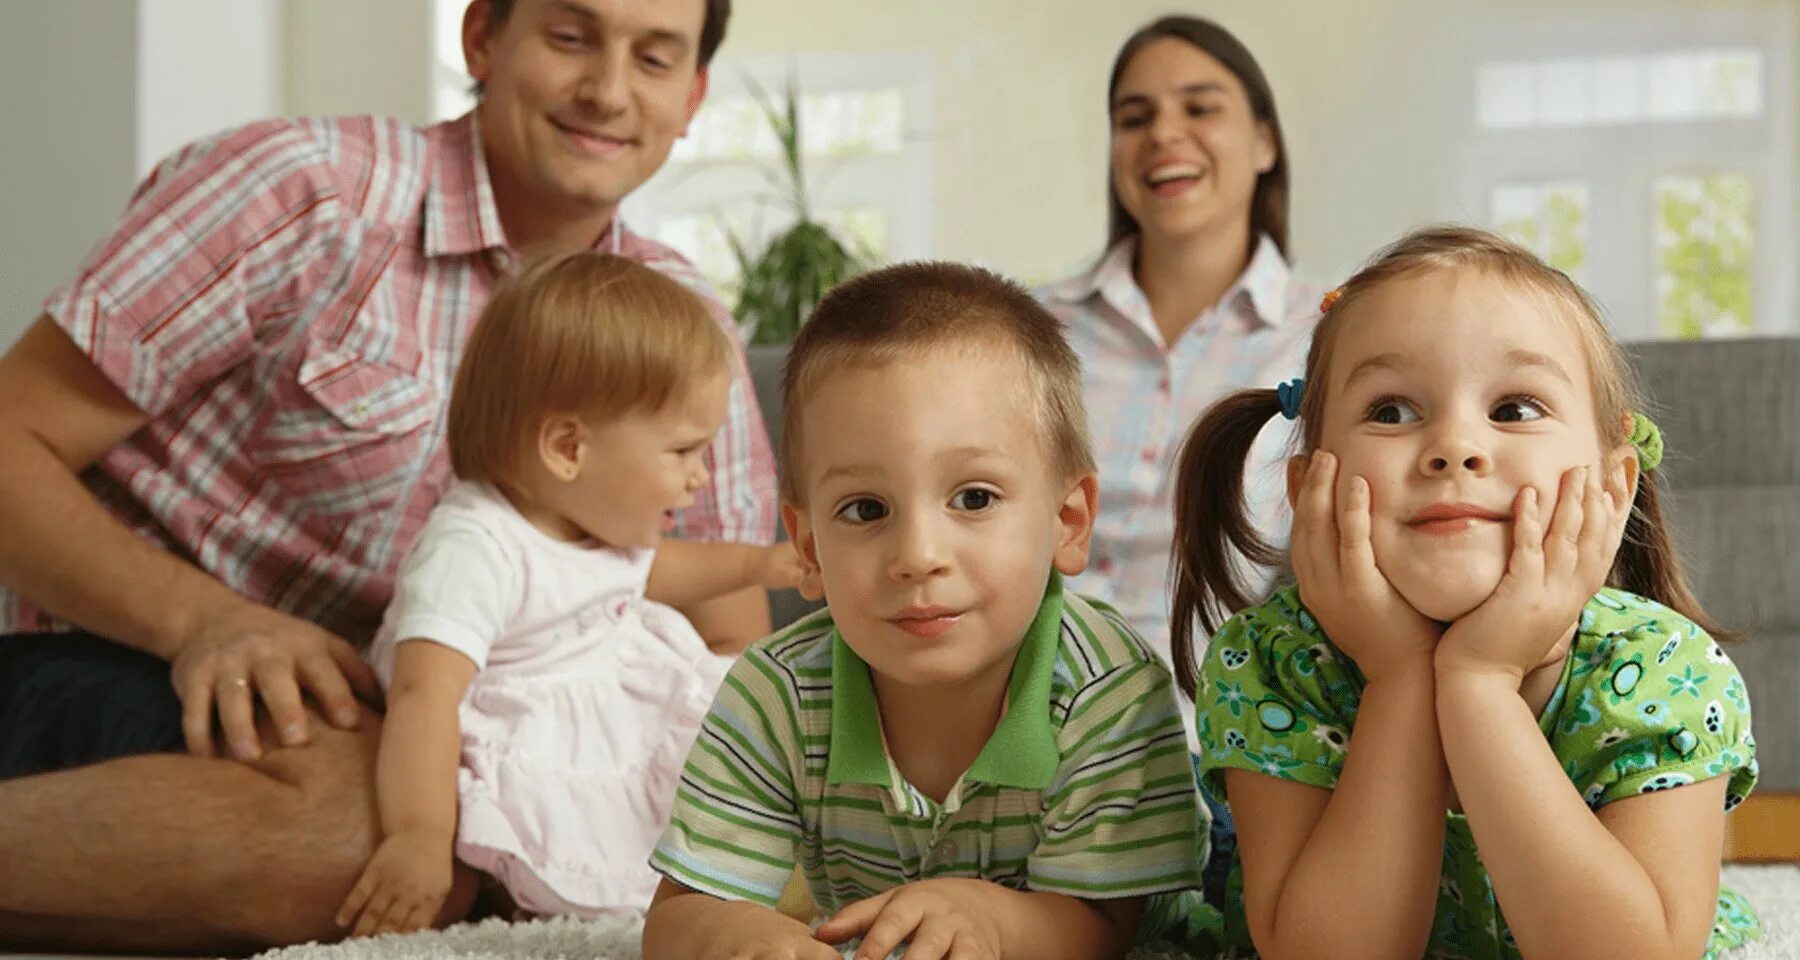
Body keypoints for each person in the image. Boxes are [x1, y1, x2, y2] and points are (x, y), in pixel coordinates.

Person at [0, 0, 769, 951]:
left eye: (654, 59)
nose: (607, 91)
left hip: (418, 724)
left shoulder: (683, 319)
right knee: (382, 842)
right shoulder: (303, 193)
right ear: (483, 36)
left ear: (691, 94)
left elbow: (723, 635)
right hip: (121, 655)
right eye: (570, 37)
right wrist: (205, 621)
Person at [1175, 226, 1761, 959]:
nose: (1455, 445)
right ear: (1307, 487)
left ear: (1614, 486)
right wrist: (1397, 677)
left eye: (1514, 409)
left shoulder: (1668, 666)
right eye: (1391, 411)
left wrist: (1479, 681)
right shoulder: (1274, 662)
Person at [642, 263, 1205, 960]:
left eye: (973, 498)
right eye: (866, 509)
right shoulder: (777, 691)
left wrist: (990, 920)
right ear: (809, 548)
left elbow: (1105, 928)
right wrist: (741, 936)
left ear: (1067, 521)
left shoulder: (1108, 689)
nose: (917, 555)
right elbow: (675, 919)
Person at [334, 250, 801, 937]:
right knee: (599, 832)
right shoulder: (473, 548)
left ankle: (753, 873)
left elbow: (663, 570)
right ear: (567, 449)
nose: (700, 477)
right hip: (534, 724)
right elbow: (422, 695)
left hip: (612, 693)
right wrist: (419, 837)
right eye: (682, 452)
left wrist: (759, 565)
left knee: (726, 747)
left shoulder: (590, 522)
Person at [1039, 15, 1320, 677]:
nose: (1163, 133)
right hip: (1019, 691)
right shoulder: (1031, 329)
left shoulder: (1336, 332)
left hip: (1220, 707)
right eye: (1134, 118)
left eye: (1200, 108)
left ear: (1264, 142)